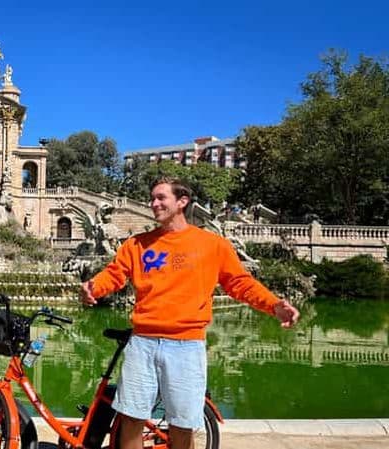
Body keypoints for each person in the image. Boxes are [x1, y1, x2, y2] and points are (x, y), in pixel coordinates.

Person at [79, 177, 299, 449]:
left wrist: (273, 304)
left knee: (182, 425)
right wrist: (94, 288)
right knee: (132, 419)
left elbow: (239, 283)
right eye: (152, 198)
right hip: (143, 343)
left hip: (186, 345)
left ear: (182, 202)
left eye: (161, 198)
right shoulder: (137, 244)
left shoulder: (211, 245)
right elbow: (115, 274)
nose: (153, 203)